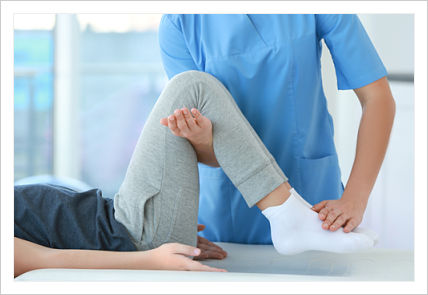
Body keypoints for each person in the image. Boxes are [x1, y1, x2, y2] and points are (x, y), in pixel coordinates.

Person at [14, 71, 376, 278]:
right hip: (125, 235)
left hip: (121, 223)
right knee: (192, 89)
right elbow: (45, 261)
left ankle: (288, 214)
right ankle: (287, 215)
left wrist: (166, 224)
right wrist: (149, 258)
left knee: (193, 94)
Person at [158, 14, 396, 244]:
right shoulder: (179, 20)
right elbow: (202, 147)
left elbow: (377, 97)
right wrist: (201, 140)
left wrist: (356, 198)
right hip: (228, 214)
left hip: (314, 203)